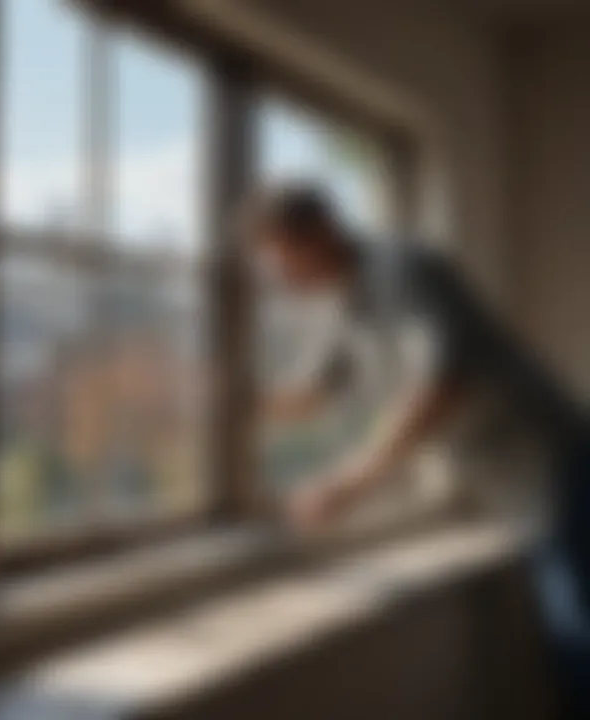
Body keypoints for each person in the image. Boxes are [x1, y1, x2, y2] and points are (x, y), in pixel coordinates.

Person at [239, 182, 590, 718]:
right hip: (522, 486)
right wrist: (222, 403)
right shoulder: (346, 307)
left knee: (579, 639)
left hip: (559, 465)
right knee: (567, 640)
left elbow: (443, 381)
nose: (280, 279)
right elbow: (313, 394)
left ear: (319, 233)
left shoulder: (403, 268)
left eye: (281, 259)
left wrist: (350, 482)